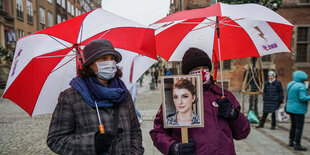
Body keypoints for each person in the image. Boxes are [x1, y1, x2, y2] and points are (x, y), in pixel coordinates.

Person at [47, 39, 144, 155]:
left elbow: (135, 130)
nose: (110, 62)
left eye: (112, 58)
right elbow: (55, 140)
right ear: (90, 64)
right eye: (104, 58)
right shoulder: (71, 97)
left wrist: (135, 152)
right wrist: (92, 143)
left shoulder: (123, 92)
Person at [150, 47, 250, 155]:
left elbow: (243, 132)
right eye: (196, 68)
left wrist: (234, 115)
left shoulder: (224, 95)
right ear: (188, 73)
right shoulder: (175, 98)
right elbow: (157, 132)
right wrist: (173, 147)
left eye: (205, 67)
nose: (202, 71)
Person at [286, 70, 310, 151]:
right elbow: (302, 98)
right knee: (299, 127)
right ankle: (297, 144)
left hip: (290, 108)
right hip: (298, 110)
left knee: (293, 125)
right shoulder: (301, 86)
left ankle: (291, 141)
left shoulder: (290, 83)